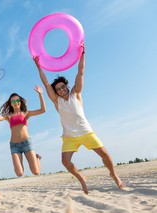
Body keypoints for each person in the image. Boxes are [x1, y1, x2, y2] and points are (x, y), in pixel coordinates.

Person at [33, 43, 124, 194]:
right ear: (56, 92)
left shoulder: (76, 94)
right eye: (58, 89)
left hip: (86, 132)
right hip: (69, 136)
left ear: (67, 86)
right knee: (65, 162)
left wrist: (82, 53)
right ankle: (81, 178)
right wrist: (39, 66)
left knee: (105, 155)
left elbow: (80, 72)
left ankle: (113, 174)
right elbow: (46, 83)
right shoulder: (57, 101)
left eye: (63, 87)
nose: (61, 89)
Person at [0, 85, 46, 177]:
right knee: (19, 173)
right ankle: (33, 159)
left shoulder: (26, 113)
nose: (16, 102)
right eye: (13, 101)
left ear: (20, 102)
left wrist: (41, 94)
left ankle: (37, 158)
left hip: (27, 143)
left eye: (17, 100)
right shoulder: (8, 116)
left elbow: (43, 110)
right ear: (11, 103)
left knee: (36, 172)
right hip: (14, 146)